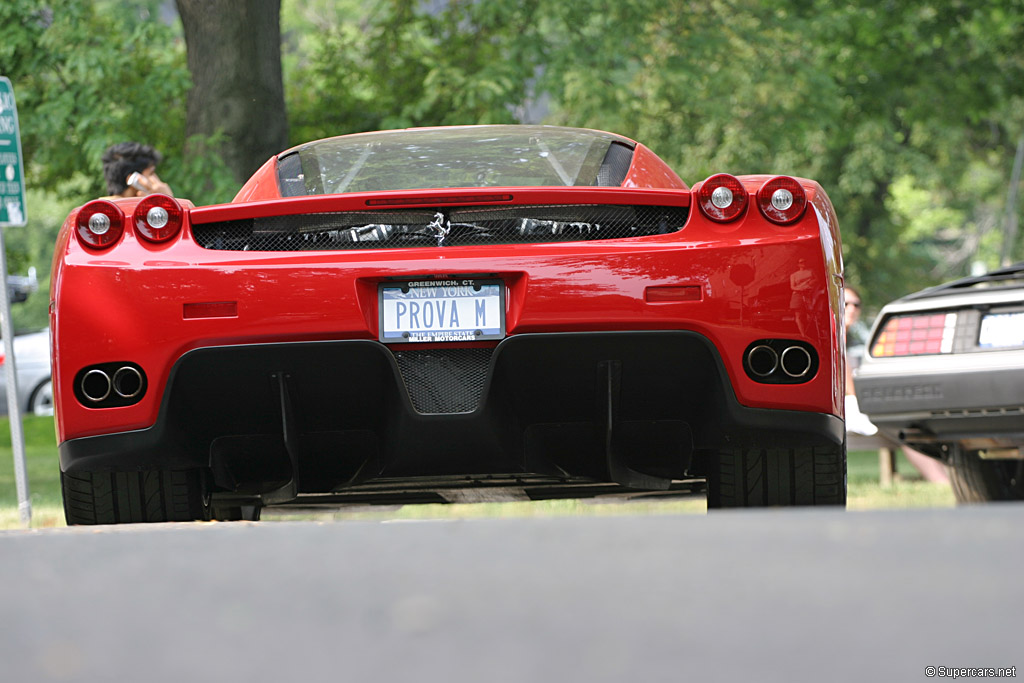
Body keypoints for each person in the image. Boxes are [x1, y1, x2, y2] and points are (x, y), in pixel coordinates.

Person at [844, 285, 950, 484]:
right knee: (900, 425)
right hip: (845, 408)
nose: (851, 309)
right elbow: (849, 388)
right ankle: (939, 478)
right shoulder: (833, 334)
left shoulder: (849, 337)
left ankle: (947, 475)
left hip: (855, 403)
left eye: (856, 304)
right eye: (845, 304)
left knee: (913, 420)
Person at [101, 142, 174, 198]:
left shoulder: (97, 211)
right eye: (151, 173)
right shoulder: (143, 214)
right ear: (132, 179)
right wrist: (167, 201)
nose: (156, 178)